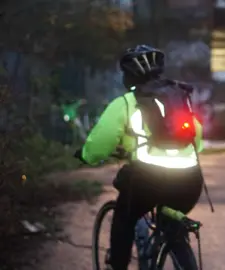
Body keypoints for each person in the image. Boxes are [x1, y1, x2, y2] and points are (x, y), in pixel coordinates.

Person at [74, 45, 205, 270]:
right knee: (172, 226)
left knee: (124, 221)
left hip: (148, 182)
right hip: (190, 183)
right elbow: (198, 139)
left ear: (129, 75)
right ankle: (176, 246)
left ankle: (118, 265)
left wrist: (87, 156)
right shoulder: (178, 98)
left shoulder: (125, 103)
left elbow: (99, 145)